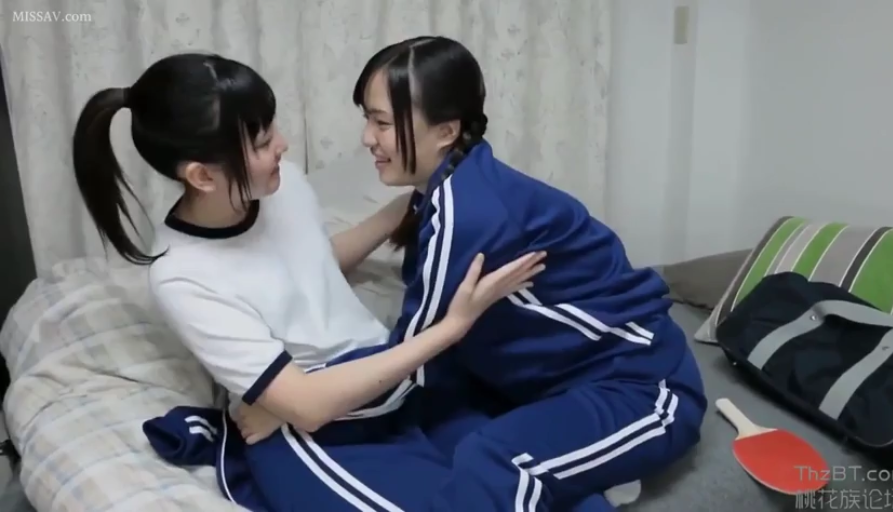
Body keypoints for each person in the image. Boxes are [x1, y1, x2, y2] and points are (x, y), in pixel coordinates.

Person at [71, 52, 547, 511]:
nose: (282, 145)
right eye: (261, 143)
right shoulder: (182, 275)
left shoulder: (283, 184)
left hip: (389, 382)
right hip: (311, 429)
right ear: (202, 176)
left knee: (524, 479)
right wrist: (451, 327)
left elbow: (309, 267)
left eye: (272, 128)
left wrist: (406, 206)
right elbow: (308, 406)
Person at [349, 36, 708, 512]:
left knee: (493, 461)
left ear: (446, 131)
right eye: (368, 119)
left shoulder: (469, 212)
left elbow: (409, 357)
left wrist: (301, 406)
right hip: (552, 381)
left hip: (641, 385)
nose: (367, 138)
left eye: (382, 123)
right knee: (437, 412)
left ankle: (591, 465)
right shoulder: (449, 187)